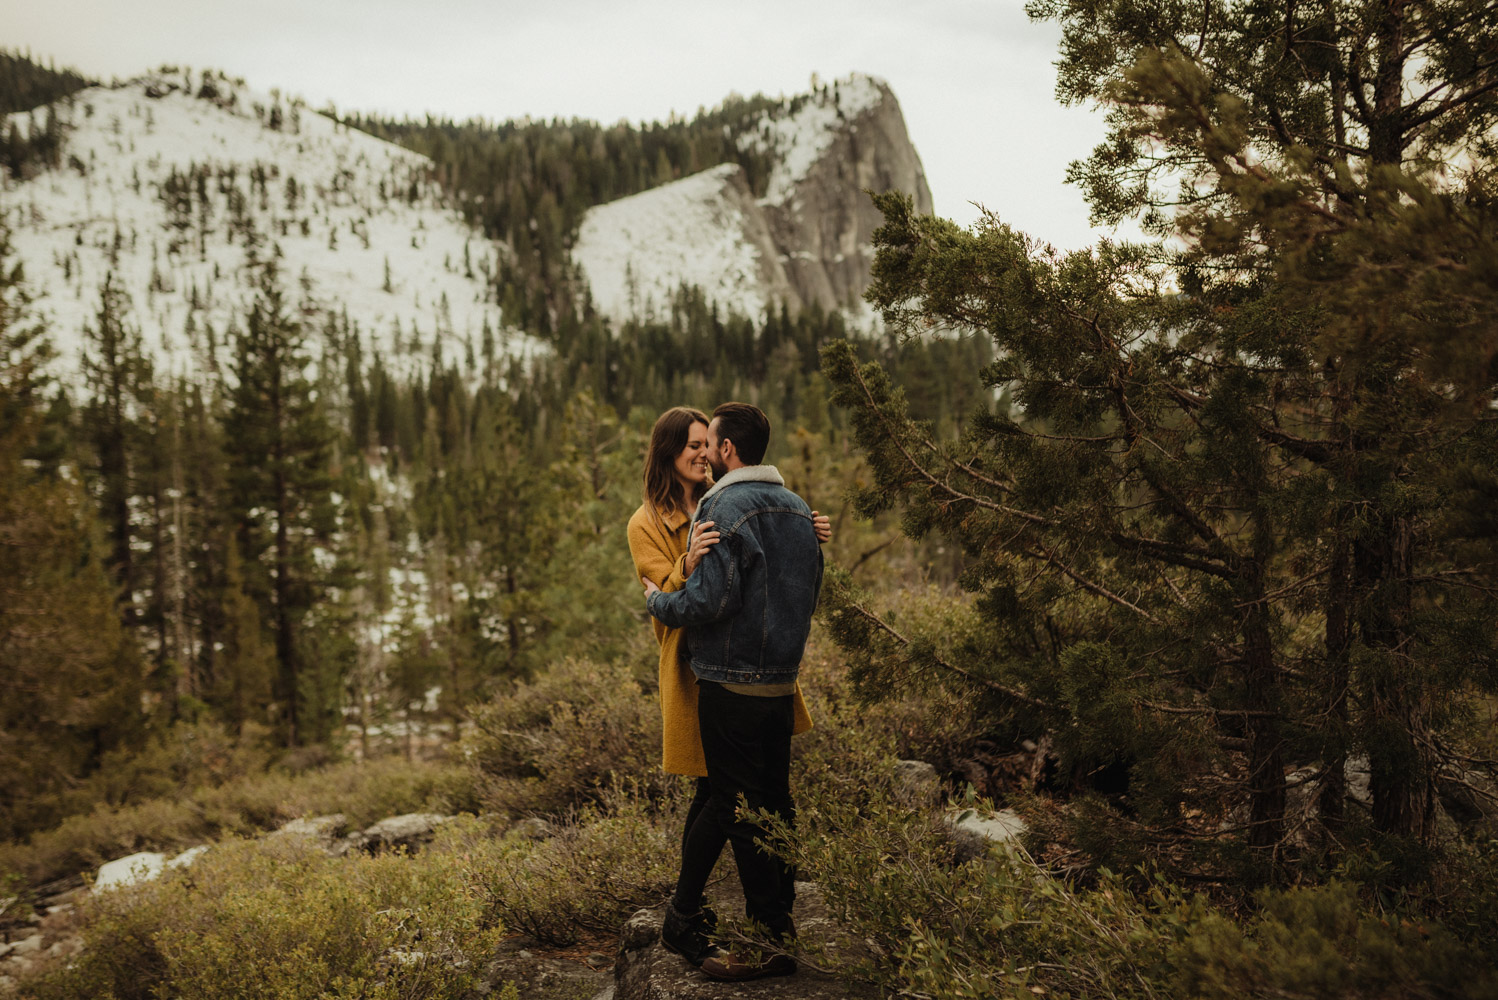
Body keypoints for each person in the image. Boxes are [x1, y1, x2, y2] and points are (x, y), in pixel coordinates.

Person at [640, 402, 824, 982]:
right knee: (770, 805)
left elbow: (709, 601)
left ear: (725, 449)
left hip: (730, 681)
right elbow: (802, 586)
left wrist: (659, 600)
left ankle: (763, 938)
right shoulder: (795, 506)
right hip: (774, 679)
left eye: (707, 442)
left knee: (738, 809)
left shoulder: (722, 505)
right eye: (689, 445)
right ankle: (759, 926)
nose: (701, 452)